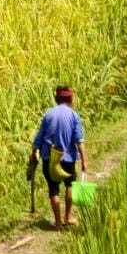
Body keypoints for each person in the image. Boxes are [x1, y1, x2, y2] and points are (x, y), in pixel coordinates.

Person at [28, 84, 87, 230]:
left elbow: (38, 139)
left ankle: (58, 222)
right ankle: (68, 216)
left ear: (57, 99)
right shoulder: (74, 115)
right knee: (70, 184)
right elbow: (79, 139)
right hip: (67, 157)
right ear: (70, 99)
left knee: (53, 189)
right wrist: (84, 160)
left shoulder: (49, 114)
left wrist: (32, 159)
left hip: (49, 157)